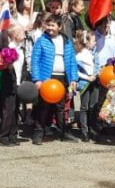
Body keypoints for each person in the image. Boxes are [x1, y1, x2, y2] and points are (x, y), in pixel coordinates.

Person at [29, 15, 78, 144]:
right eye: (48, 25)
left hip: (62, 78)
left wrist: (73, 78)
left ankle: (63, 132)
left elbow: (72, 61)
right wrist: (37, 79)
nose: (50, 28)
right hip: (46, 78)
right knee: (43, 106)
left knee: (60, 107)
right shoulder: (41, 40)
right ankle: (38, 132)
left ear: (59, 27)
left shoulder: (66, 41)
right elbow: (35, 61)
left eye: (53, 25)